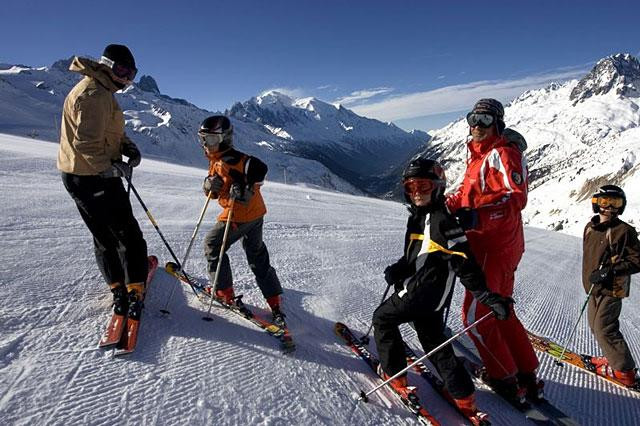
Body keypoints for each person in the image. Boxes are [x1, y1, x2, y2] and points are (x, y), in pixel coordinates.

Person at [373, 157, 512, 421]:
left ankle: (394, 375)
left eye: (423, 186)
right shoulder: (418, 217)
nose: (416, 193)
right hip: (434, 299)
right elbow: (416, 254)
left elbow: (464, 264)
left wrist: (486, 296)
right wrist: (400, 267)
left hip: (418, 293)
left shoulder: (441, 221)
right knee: (433, 341)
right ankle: (465, 397)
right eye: (411, 187)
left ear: (437, 186)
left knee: (383, 318)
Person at [446, 98, 541, 402]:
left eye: (485, 119)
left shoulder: (502, 153)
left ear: (498, 123)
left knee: (476, 315)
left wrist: (477, 217)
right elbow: (467, 192)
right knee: (501, 308)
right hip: (497, 245)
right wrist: (441, 207)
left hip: (493, 246)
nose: (477, 125)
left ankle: (503, 378)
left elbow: (515, 198)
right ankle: (525, 371)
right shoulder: (478, 154)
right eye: (473, 117)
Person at [57, 44, 148, 315]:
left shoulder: (103, 90)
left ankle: (119, 285)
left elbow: (110, 131)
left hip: (85, 174)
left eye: (131, 73)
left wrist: (127, 146)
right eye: (121, 70)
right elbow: (86, 144)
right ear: (106, 65)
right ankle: (132, 290)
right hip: (92, 176)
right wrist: (110, 170)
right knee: (127, 234)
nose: (126, 78)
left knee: (105, 234)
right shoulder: (94, 94)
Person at [198, 115, 285, 326]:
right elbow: (217, 190)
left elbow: (260, 169)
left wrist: (247, 188)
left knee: (213, 244)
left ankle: (223, 292)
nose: (205, 144)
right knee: (256, 252)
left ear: (224, 138)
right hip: (255, 213)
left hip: (240, 214)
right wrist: (209, 186)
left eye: (210, 139)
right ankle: (274, 299)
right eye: (203, 139)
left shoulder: (234, 158)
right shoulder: (217, 159)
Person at [583, 185, 640, 387]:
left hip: (613, 287)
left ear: (621, 206)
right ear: (596, 203)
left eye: (615, 203)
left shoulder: (624, 231)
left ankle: (624, 370)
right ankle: (614, 358)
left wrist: (611, 270)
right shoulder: (590, 227)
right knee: (594, 326)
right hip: (594, 287)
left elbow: (637, 260)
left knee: (604, 328)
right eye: (604, 202)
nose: (609, 208)